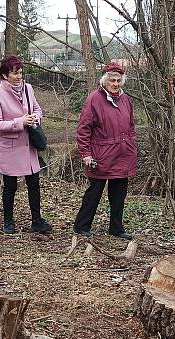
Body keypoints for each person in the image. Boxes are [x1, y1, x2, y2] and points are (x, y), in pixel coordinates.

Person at [73, 62, 138, 240]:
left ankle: (116, 228)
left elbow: (131, 125)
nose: (115, 84)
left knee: (119, 194)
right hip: (101, 154)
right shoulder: (94, 99)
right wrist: (86, 154)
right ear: (104, 81)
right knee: (95, 191)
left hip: (123, 153)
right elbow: (83, 129)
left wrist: (131, 143)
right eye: (112, 80)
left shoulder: (125, 99)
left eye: (118, 80)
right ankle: (82, 225)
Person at [0, 55, 52, 234]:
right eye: (15, 73)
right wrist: (20, 122)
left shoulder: (28, 89)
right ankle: (8, 222)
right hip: (10, 148)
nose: (19, 77)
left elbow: (38, 110)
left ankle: (37, 220)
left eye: (21, 73)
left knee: (34, 184)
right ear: (4, 75)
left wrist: (34, 119)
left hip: (29, 147)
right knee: (10, 187)